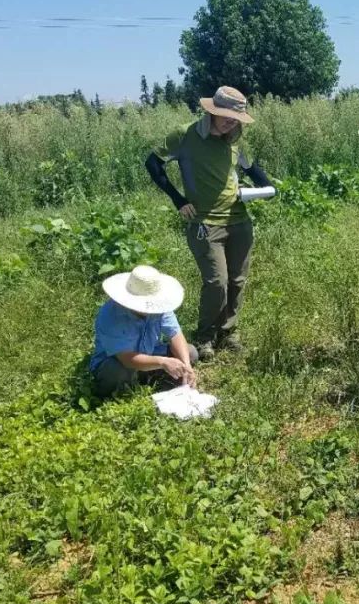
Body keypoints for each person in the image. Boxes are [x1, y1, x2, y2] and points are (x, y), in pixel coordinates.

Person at [145, 86, 272, 359]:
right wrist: (178, 200)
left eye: (236, 117)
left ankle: (228, 332)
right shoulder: (185, 135)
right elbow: (153, 163)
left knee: (237, 280)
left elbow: (250, 168)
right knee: (216, 282)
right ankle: (205, 337)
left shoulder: (236, 138)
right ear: (211, 111)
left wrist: (266, 187)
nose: (231, 122)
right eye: (226, 116)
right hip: (205, 222)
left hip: (239, 219)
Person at [89, 265, 198, 397]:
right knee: (117, 372)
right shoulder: (111, 315)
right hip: (117, 362)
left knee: (190, 352)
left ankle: (145, 378)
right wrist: (163, 362)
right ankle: (121, 391)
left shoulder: (160, 306)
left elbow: (175, 334)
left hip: (150, 354)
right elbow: (127, 359)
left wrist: (187, 366)